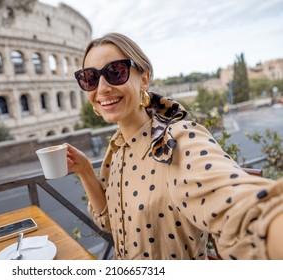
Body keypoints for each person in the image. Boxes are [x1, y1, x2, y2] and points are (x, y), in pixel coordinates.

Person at [66, 32, 283, 260]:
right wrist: (85, 171)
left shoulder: (176, 141)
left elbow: (242, 210)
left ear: (144, 79)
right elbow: (109, 221)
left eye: (116, 72)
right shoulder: (117, 148)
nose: (102, 88)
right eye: (90, 78)